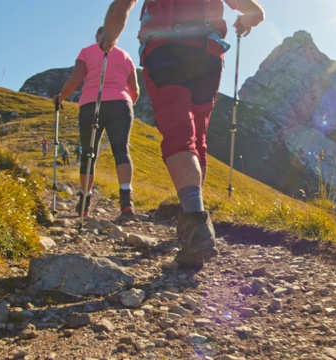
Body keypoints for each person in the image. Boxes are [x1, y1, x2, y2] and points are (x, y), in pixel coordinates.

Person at [100, 0, 264, 270]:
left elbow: (121, 8)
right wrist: (245, 21)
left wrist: (108, 40)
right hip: (208, 54)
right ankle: (192, 219)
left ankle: (194, 221)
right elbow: (256, 12)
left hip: (164, 51)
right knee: (198, 136)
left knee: (178, 131)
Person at [53, 26, 140, 218]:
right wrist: (126, 103)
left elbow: (75, 80)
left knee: (88, 152)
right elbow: (135, 89)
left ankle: (85, 200)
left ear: (97, 37)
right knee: (121, 150)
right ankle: (126, 199)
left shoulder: (87, 52)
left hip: (92, 105)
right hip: (121, 105)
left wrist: (61, 98)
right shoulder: (126, 56)